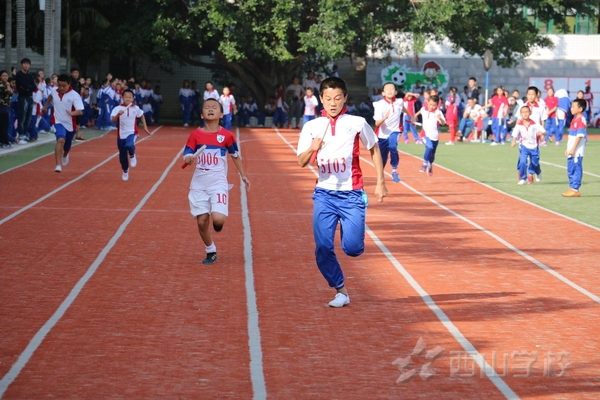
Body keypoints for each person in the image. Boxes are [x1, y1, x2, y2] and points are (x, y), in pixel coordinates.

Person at [297, 77, 387, 307]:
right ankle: (340, 290)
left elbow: (374, 148)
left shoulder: (357, 122)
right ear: (321, 100)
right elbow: (301, 161)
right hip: (324, 194)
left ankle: (353, 227)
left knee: (353, 249)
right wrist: (313, 148)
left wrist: (380, 181)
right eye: (328, 99)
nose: (333, 103)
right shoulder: (312, 126)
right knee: (323, 247)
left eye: (337, 98)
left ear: (345, 97)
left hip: (351, 193)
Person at [182, 98, 250, 264]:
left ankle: (218, 222)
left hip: (218, 184)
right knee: (202, 221)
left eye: (214, 107)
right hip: (199, 184)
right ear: (201, 114)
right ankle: (210, 249)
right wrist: (189, 158)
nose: (210, 109)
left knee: (218, 220)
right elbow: (187, 154)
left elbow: (235, 156)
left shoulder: (227, 136)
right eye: (206, 107)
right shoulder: (195, 135)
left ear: (221, 114)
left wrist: (243, 175)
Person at [373, 82, 417, 183]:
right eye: (387, 89)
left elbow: (403, 109)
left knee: (393, 146)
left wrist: (411, 116)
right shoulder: (379, 104)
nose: (389, 90)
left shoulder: (399, 101)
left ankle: (394, 170)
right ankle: (380, 176)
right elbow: (377, 124)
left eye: (392, 89)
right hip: (382, 134)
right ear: (383, 93)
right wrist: (385, 117)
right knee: (382, 159)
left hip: (395, 130)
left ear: (396, 92)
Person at [41, 74, 84, 172]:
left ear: (69, 84)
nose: (61, 88)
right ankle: (58, 165)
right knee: (60, 139)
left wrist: (72, 113)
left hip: (70, 124)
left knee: (67, 146)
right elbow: (50, 96)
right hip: (57, 121)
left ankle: (65, 155)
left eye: (64, 86)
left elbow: (80, 111)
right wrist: (46, 105)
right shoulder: (54, 91)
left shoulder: (74, 95)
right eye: (59, 85)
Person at [110, 89, 151, 181]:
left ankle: (132, 155)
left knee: (129, 145)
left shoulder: (135, 108)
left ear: (132, 98)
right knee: (122, 156)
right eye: (126, 97)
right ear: (122, 97)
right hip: (121, 136)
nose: (128, 99)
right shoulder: (117, 108)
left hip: (132, 133)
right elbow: (112, 120)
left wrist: (145, 127)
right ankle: (125, 170)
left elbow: (142, 115)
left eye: (130, 97)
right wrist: (117, 115)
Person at [511, 105, 545, 185]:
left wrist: (542, 133)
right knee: (522, 161)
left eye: (527, 112)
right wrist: (513, 141)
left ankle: (538, 172)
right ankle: (523, 178)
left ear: (530, 113)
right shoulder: (519, 124)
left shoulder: (535, 123)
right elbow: (515, 134)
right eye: (523, 112)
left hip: (534, 147)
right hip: (524, 146)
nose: (525, 114)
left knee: (535, 163)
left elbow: (544, 131)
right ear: (521, 114)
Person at [414, 95, 446, 175]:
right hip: (425, 134)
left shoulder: (438, 112)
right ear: (427, 102)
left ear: (437, 105)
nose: (432, 106)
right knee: (429, 147)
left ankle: (430, 164)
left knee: (432, 154)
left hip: (434, 136)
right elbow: (419, 112)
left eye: (434, 105)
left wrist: (440, 118)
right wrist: (415, 115)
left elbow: (443, 123)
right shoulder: (424, 109)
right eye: (430, 104)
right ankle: (425, 163)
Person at [562, 99, 587, 197]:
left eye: (573, 107)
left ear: (580, 109)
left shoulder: (581, 120)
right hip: (572, 150)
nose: (571, 108)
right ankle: (572, 187)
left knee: (576, 169)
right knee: (570, 169)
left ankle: (575, 189)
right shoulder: (574, 119)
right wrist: (568, 149)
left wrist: (573, 149)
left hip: (577, 151)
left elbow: (579, 136)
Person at [15, 58, 38, 143]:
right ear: (21, 64)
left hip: (30, 98)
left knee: (28, 117)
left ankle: (25, 134)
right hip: (22, 98)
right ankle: (21, 135)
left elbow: (34, 87)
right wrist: (28, 87)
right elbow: (23, 85)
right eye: (24, 63)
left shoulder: (29, 75)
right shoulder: (19, 74)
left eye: (28, 64)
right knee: (22, 117)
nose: (26, 65)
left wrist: (28, 88)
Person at [0, 70, 12, 148]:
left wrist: (8, 86)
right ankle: (4, 142)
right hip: (1, 107)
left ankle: (3, 141)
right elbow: (7, 92)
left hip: (6, 107)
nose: (5, 77)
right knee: (3, 125)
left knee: (5, 125)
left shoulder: (6, 84)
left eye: (6, 76)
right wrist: (8, 86)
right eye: (3, 76)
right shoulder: (1, 85)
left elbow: (11, 93)